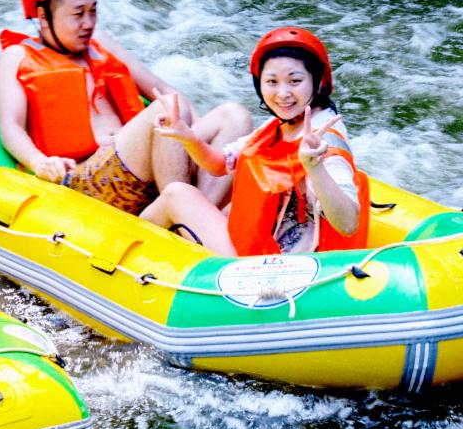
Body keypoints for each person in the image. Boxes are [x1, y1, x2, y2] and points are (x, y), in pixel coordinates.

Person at [0, 0, 249, 214]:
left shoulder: (101, 43)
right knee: (168, 106)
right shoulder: (17, 56)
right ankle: (183, 215)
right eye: (78, 13)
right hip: (87, 178)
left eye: (93, 11)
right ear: (42, 16)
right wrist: (38, 162)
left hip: (142, 163)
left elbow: (159, 87)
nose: (88, 22)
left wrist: (193, 141)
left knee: (233, 115)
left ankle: (199, 215)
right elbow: (10, 125)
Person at [140, 27, 370, 257]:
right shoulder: (280, 123)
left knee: (176, 194)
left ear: (318, 82)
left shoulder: (324, 140)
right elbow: (219, 165)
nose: (282, 93)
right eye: (272, 81)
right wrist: (187, 136)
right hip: (260, 247)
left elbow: (348, 224)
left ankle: (128, 260)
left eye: (295, 81)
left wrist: (315, 167)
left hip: (271, 269)